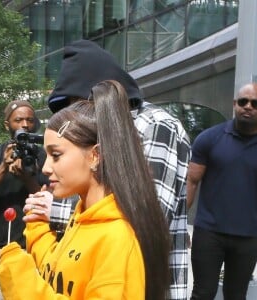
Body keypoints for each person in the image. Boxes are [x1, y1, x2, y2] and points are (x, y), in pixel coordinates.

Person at [24, 39, 191, 300]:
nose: (78, 114)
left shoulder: (156, 125)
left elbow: (149, 213)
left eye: (80, 103)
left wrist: (53, 208)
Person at [0, 80, 170, 299]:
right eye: (46, 155)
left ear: (94, 156)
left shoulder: (116, 238)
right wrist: (37, 228)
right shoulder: (81, 219)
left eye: (56, 155)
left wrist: (22, 284)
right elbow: (59, 271)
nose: (46, 167)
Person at [187, 82, 257, 300]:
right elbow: (191, 182)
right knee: (202, 293)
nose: (248, 106)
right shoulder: (209, 139)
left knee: (236, 295)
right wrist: (176, 226)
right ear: (234, 104)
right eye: (243, 101)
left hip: (247, 237)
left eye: (255, 103)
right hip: (209, 233)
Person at [0, 100, 47, 249]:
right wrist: (3, 167)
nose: (25, 125)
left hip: (29, 244)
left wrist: (27, 179)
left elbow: (46, 202)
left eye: (29, 120)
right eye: (18, 120)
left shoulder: (43, 156)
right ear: (7, 125)